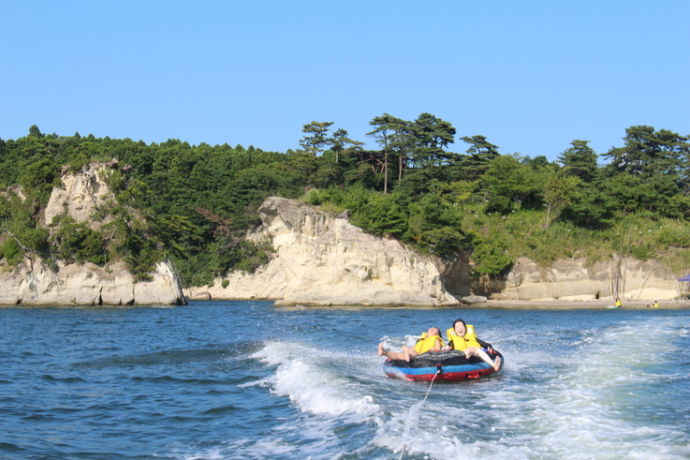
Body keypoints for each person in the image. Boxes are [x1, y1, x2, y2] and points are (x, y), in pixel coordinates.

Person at [377, 327, 444, 362]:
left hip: (424, 355)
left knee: (409, 351)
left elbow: (438, 350)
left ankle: (407, 354)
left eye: (435, 329)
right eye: (431, 328)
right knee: (400, 354)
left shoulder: (436, 339)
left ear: (438, 334)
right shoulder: (422, 339)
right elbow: (417, 346)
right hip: (416, 353)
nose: (432, 329)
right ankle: (383, 352)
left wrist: (433, 349)